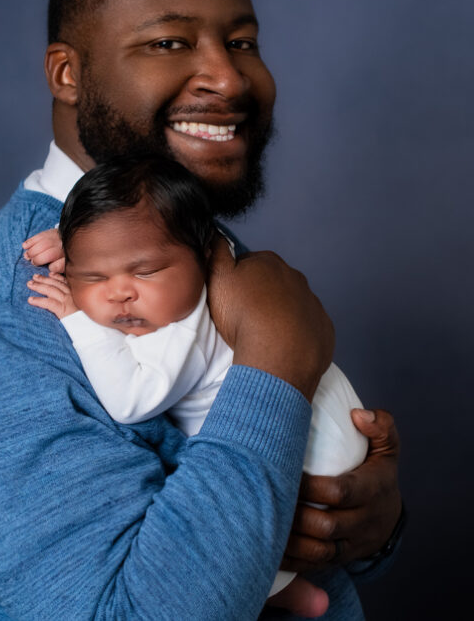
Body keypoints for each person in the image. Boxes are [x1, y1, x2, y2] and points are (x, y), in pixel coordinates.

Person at [0, 0, 403, 620]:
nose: (229, 76)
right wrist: (277, 362)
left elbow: (263, 493)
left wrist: (367, 525)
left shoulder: (184, 244)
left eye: (243, 42)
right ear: (68, 74)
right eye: (169, 42)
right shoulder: (17, 314)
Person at [24, 156, 370, 601]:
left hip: (316, 454)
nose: (119, 292)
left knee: (248, 539)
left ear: (202, 255)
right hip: (332, 427)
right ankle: (294, 591)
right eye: (92, 275)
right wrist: (76, 243)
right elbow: (135, 239)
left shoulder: (180, 329)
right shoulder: (176, 269)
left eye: (144, 271)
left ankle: (282, 588)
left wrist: (79, 319)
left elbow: (131, 401)